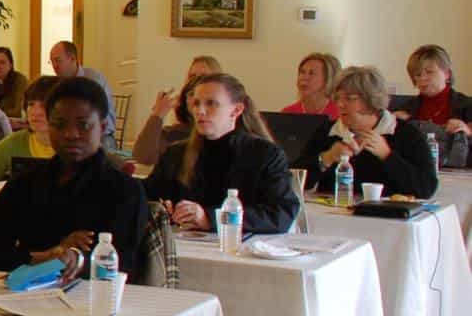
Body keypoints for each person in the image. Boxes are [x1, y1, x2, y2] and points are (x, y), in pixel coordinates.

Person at [0, 77, 148, 281]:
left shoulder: (124, 190)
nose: (71, 134)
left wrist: (76, 258)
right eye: (60, 124)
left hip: (93, 302)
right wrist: (47, 256)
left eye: (83, 125)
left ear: (101, 128)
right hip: (24, 296)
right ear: (49, 126)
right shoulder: (24, 184)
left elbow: (124, 265)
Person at [144, 74, 298, 235]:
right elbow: (149, 194)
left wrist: (210, 218)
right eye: (196, 103)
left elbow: (281, 213)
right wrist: (159, 207)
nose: (200, 111)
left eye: (211, 103)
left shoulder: (265, 155)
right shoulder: (175, 154)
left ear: (236, 110)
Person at [294, 66, 439, 198]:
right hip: (331, 217)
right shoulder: (327, 131)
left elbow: (426, 189)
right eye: (337, 98)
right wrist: (326, 158)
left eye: (350, 99)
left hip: (386, 220)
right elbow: (293, 181)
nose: (340, 104)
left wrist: (387, 155)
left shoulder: (405, 134)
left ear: (372, 101)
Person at [0, 75, 60, 197]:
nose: (35, 112)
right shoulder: (12, 143)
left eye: (43, 105)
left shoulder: (78, 147)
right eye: (31, 104)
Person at [132, 56, 222, 166]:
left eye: (203, 77)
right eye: (192, 77)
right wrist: (157, 114)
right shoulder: (174, 133)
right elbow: (143, 157)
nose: (196, 82)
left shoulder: (225, 130)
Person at [391, 44, 472, 134]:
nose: (422, 78)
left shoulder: (467, 106)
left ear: (447, 74)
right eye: (417, 75)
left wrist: (468, 133)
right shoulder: (404, 109)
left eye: (429, 72)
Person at [48, 40, 116, 134]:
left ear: (72, 59)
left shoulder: (93, 79)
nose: (54, 66)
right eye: (51, 62)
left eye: (57, 60)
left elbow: (103, 117)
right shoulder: (57, 84)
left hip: (100, 134)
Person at [284, 52, 342, 120]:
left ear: (327, 80)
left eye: (311, 73)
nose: (304, 77)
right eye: (302, 72)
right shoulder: (287, 113)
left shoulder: (341, 113)